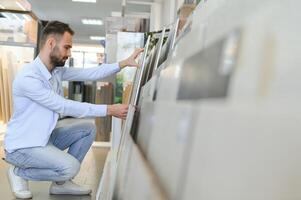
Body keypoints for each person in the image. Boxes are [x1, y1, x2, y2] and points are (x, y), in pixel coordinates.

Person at [3, 21, 143, 199]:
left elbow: (90, 73)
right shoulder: (29, 77)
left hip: (43, 138)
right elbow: (63, 105)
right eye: (67, 47)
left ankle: (61, 183)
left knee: (87, 128)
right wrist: (109, 109)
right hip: (23, 147)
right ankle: (19, 173)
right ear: (51, 43)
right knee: (71, 167)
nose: (69, 53)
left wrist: (123, 63)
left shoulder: (55, 71)